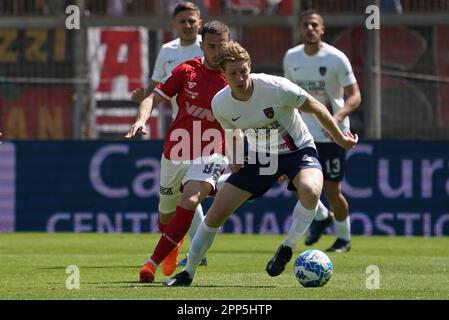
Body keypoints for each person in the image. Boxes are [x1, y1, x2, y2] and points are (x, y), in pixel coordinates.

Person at [163, 40, 358, 286]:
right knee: (215, 215)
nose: (240, 77)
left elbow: (317, 107)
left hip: (298, 151)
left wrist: (340, 138)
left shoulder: (276, 87)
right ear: (223, 74)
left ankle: (287, 248)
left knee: (310, 191)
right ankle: (188, 273)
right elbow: (232, 130)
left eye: (244, 71)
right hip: (260, 157)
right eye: (233, 73)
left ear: (250, 67)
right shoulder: (220, 103)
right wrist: (236, 158)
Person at [125, 20, 231, 283]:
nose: (217, 52)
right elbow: (152, 97)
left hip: (211, 151)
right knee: (165, 217)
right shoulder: (186, 71)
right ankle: (172, 244)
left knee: (192, 199)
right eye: (211, 46)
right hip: (177, 149)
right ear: (202, 46)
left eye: (222, 46)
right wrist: (141, 120)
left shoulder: (234, 77)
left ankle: (151, 263)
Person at [131, 2, 207, 268]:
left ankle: (198, 249)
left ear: (200, 22)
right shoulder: (168, 51)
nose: (188, 25)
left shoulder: (210, 48)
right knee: (174, 202)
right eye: (183, 21)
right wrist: (144, 100)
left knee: (192, 189)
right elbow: (157, 88)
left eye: (192, 20)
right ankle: (190, 245)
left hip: (212, 132)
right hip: (183, 132)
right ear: (174, 25)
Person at [283, 9, 362, 252]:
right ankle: (321, 217)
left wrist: (335, 118)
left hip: (332, 134)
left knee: (331, 189)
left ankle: (344, 238)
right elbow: (288, 95)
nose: (310, 29)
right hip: (301, 133)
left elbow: (355, 96)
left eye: (314, 25)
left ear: (322, 29)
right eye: (306, 24)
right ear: (300, 29)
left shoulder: (336, 58)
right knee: (298, 185)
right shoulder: (291, 57)